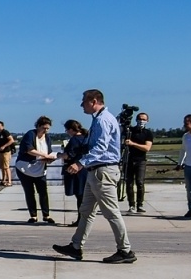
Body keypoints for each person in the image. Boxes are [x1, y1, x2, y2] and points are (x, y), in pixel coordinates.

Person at [53, 89, 135, 264]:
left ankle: (125, 250)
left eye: (84, 101)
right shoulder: (100, 119)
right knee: (86, 211)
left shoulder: (103, 120)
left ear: (94, 101)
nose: (81, 104)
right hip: (96, 172)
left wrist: (80, 163)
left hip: (102, 171)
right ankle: (76, 246)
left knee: (111, 212)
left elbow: (101, 147)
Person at [16, 116, 59, 224]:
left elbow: (49, 151)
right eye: (44, 128)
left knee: (43, 192)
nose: (46, 130)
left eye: (48, 128)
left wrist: (49, 158)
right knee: (29, 192)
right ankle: (33, 215)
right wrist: (44, 155)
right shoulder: (30, 134)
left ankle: (46, 215)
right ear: (38, 126)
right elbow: (29, 150)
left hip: (40, 168)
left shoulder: (47, 138)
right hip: (25, 168)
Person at [123, 111, 153, 214]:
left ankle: (140, 204)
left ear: (147, 121)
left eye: (144, 119)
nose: (141, 121)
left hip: (141, 160)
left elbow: (147, 148)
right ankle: (131, 205)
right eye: (140, 119)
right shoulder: (130, 131)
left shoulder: (148, 133)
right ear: (136, 120)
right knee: (129, 183)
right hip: (129, 159)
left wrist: (133, 144)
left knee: (140, 182)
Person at [60, 119, 89, 223]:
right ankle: (82, 218)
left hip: (75, 169)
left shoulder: (74, 140)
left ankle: (81, 219)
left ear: (71, 130)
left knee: (79, 195)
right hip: (85, 169)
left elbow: (69, 155)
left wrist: (57, 156)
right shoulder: (86, 137)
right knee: (82, 195)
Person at [0, 121, 17, 186]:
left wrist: (4, 146)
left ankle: (9, 181)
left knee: (6, 167)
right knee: (2, 167)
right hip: (1, 152)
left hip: (6, 151)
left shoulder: (5, 132)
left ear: (2, 126)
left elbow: (11, 140)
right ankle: (3, 180)